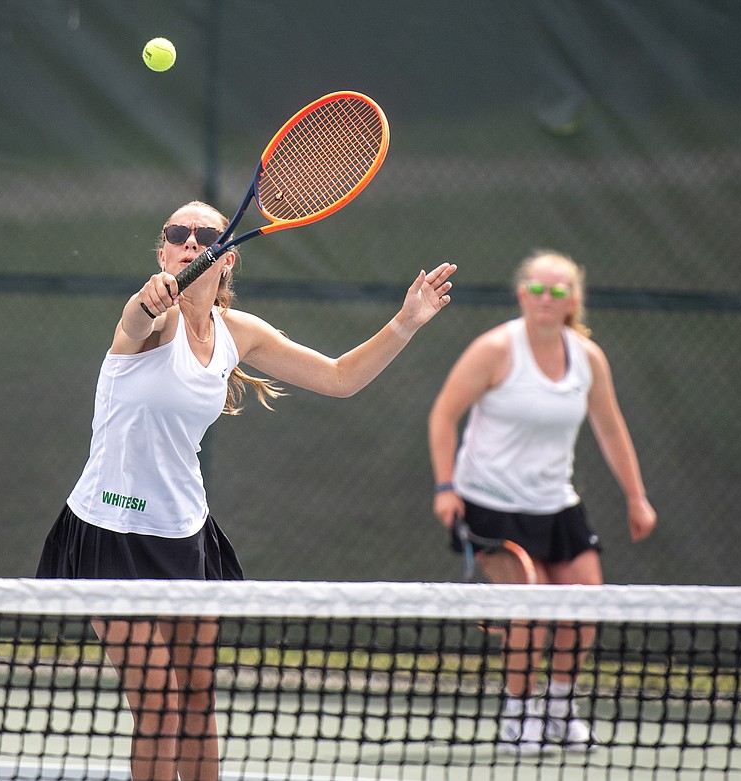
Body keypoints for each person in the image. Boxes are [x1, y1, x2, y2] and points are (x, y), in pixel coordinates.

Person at [37, 199, 457, 781]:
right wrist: (147, 300)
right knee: (157, 705)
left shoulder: (240, 333)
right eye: (175, 234)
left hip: (185, 534)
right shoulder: (154, 319)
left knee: (197, 700)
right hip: (110, 532)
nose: (188, 242)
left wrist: (406, 321)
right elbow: (137, 317)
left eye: (202, 235)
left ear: (226, 257)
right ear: (163, 250)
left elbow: (340, 378)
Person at [427, 249, 655, 753]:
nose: (546, 299)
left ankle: (559, 709)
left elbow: (611, 429)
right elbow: (443, 415)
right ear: (522, 293)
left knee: (585, 605)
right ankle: (519, 716)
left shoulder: (587, 358)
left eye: (558, 291)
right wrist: (446, 487)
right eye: (537, 289)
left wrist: (636, 498)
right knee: (528, 614)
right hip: (490, 505)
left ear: (572, 300)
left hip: (557, 506)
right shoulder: (494, 350)